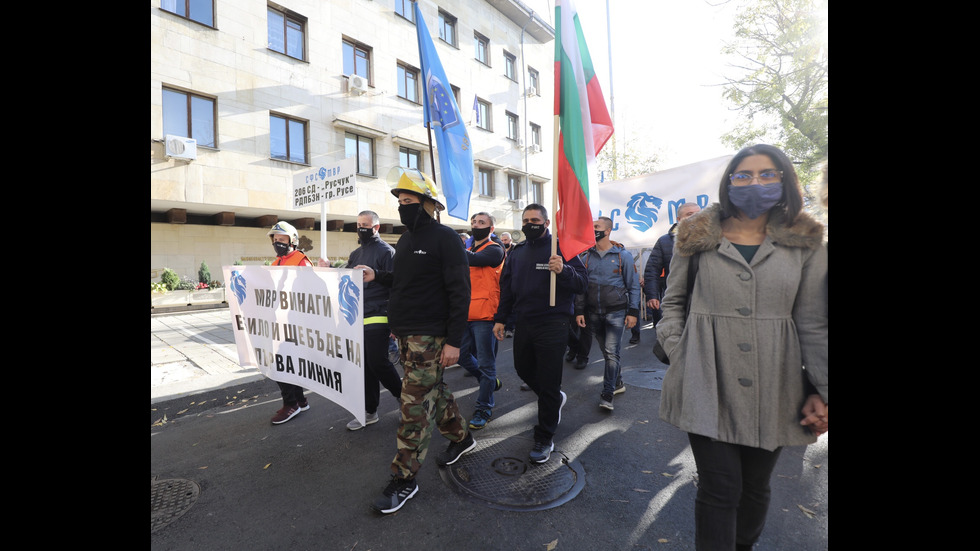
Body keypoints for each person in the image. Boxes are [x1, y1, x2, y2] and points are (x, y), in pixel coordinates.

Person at [656, 144, 827, 550]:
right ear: (729, 182)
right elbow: (673, 302)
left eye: (767, 174)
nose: (755, 183)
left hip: (777, 382)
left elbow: (812, 322)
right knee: (720, 488)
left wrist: (821, 389)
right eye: (744, 175)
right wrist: (680, 352)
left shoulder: (806, 241)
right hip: (704, 377)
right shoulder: (695, 234)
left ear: (784, 180)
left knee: (754, 488)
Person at [358, 168, 475, 514]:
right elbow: (405, 282)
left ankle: (404, 479)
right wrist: (377, 275)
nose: (402, 207)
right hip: (407, 335)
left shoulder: (447, 239)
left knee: (412, 405)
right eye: (400, 202)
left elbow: (460, 291)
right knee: (433, 391)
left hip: (432, 336)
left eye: (408, 201)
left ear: (428, 204)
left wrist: (454, 341)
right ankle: (462, 438)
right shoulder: (406, 241)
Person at [493, 203, 587, 463]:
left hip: (553, 324)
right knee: (523, 369)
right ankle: (554, 399)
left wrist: (564, 270)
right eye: (525, 220)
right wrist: (501, 319)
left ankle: (545, 437)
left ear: (546, 223)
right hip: (524, 323)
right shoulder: (517, 252)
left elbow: (582, 283)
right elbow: (507, 289)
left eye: (535, 219)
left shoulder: (561, 249)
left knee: (548, 381)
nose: (529, 224)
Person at [320, 211, 403, 431]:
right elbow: (343, 278)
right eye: (358, 224)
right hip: (357, 316)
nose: (361, 228)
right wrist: (328, 269)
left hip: (379, 313)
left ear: (376, 227)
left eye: (365, 224)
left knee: (377, 362)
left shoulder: (387, 252)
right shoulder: (356, 253)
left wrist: (395, 321)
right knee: (364, 366)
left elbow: (397, 283)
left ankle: (404, 399)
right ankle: (369, 411)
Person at [574, 217, 640, 411]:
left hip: (616, 313)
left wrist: (633, 312)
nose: (593, 230)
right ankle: (618, 382)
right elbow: (581, 288)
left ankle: (607, 393)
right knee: (608, 353)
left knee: (612, 353)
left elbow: (633, 286)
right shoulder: (585, 257)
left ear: (608, 231)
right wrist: (579, 311)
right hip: (593, 313)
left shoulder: (623, 256)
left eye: (596, 227)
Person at [458, 212, 506, 429]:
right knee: (460, 356)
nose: (476, 225)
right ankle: (490, 383)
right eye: (474, 222)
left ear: (491, 228)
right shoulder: (469, 250)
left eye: (482, 223)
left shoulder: (495, 249)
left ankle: (484, 407)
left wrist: (452, 249)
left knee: (487, 365)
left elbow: (476, 260)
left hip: (486, 317)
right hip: (464, 314)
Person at [265, 221, 315, 425]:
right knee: (289, 364)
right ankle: (300, 401)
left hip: (296, 323)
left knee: (280, 363)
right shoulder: (275, 263)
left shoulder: (301, 261)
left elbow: (312, 291)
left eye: (282, 239)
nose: (278, 243)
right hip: (279, 322)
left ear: (292, 240)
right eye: (275, 239)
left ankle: (291, 404)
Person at [643, 202, 701, 331]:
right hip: (676, 300)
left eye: (698, 214)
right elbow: (652, 270)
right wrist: (652, 295)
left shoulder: (714, 239)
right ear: (679, 220)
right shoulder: (664, 242)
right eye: (689, 214)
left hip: (705, 300)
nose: (695, 217)